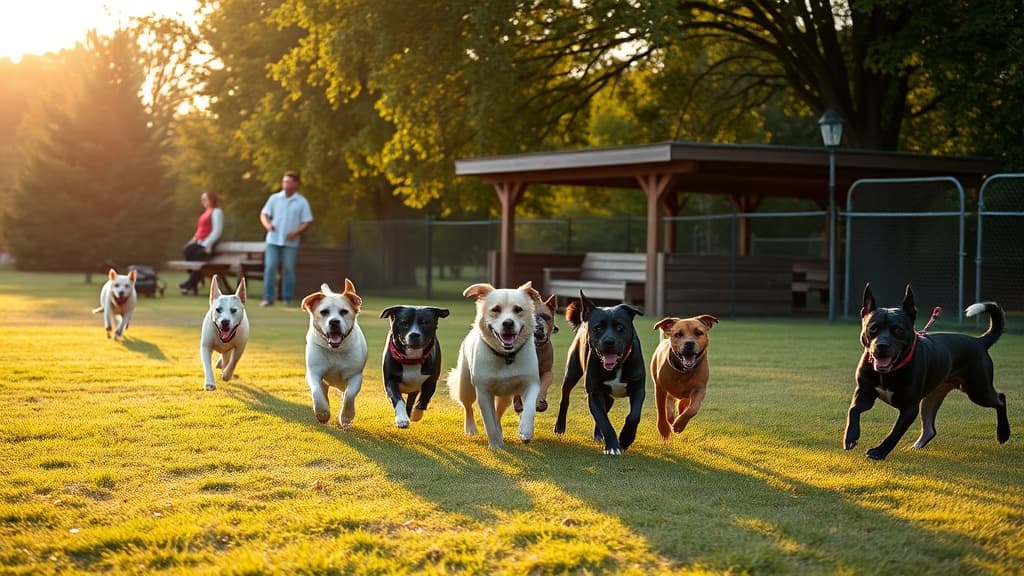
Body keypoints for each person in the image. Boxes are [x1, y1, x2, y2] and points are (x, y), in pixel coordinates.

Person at [259, 170, 313, 306]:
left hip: (291, 242)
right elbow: (264, 214)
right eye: (284, 181)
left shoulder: (301, 202)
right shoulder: (274, 198)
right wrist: (268, 225)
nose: (285, 184)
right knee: (270, 267)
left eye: (288, 182)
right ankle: (268, 298)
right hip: (273, 240)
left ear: (295, 184)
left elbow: (307, 221)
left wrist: (296, 232)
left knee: (288, 269)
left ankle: (287, 299)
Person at [179, 191, 224, 295]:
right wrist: (192, 241)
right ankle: (194, 281)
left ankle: (189, 284)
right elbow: (200, 230)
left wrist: (206, 244)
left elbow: (217, 231)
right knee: (187, 251)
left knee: (199, 261)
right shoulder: (205, 212)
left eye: (205, 199)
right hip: (199, 242)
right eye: (202, 199)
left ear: (211, 200)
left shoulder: (217, 212)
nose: (203, 201)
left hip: (209, 244)